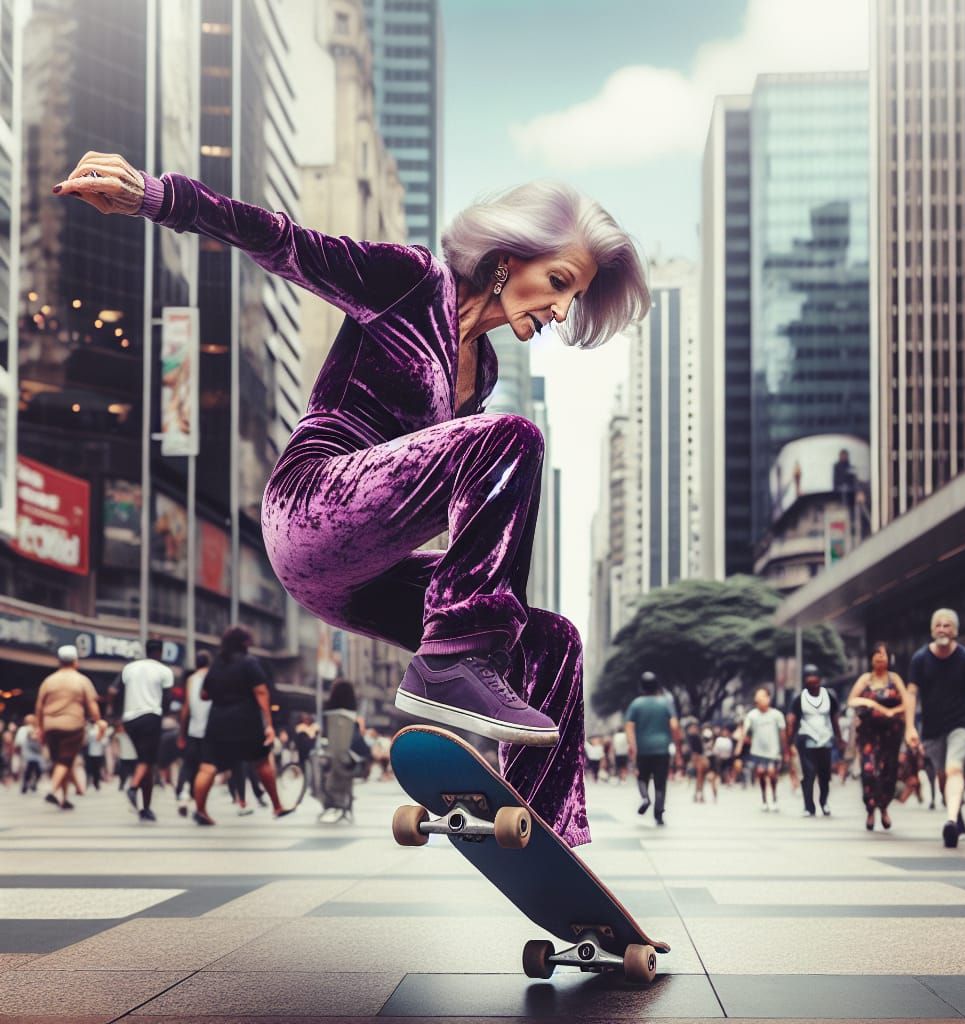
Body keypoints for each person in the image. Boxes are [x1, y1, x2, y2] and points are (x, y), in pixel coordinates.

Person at [54, 152, 650, 848]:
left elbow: (442, 491)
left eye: (574, 298)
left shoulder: (481, 369)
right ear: (508, 258)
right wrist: (158, 197)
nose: (561, 308)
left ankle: (549, 830)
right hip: (310, 507)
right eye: (558, 283)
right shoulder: (411, 281)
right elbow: (285, 242)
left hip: (359, 578)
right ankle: (452, 660)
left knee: (551, 640)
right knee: (512, 438)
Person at [905, 608, 965, 849]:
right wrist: (910, 727)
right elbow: (911, 694)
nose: (942, 629)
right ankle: (957, 813)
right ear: (932, 630)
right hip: (931, 728)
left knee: (954, 770)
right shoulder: (920, 659)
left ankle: (950, 822)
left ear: (955, 631)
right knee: (943, 777)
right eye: (938, 625)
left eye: (947, 625)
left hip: (961, 724)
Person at [190, 625, 291, 825]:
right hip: (246, 721)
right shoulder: (250, 663)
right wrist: (268, 724)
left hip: (217, 721)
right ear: (244, 643)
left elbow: (204, 695)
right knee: (261, 762)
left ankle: (200, 810)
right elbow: (261, 693)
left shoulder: (216, 665)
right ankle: (277, 807)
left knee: (207, 767)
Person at [847, 642, 909, 831]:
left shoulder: (895, 679)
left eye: (883, 654)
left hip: (891, 734)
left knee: (888, 773)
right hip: (869, 734)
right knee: (868, 771)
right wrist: (873, 705)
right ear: (871, 658)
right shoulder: (865, 679)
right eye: (877, 654)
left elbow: (907, 703)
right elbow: (852, 700)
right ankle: (870, 809)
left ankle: (884, 808)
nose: (880, 657)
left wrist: (892, 712)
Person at [35, 645, 105, 810]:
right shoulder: (81, 680)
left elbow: (39, 707)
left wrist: (40, 727)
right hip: (72, 726)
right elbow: (92, 704)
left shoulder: (48, 681)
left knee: (61, 762)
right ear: (75, 662)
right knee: (65, 760)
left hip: (50, 726)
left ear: (59, 661)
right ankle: (52, 790)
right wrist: (98, 721)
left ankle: (64, 799)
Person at [120, 638, 174, 822]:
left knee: (146, 762)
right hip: (150, 717)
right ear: (161, 651)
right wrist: (163, 714)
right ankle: (133, 788)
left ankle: (147, 809)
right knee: (146, 760)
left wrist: (118, 715)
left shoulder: (129, 668)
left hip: (129, 719)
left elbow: (116, 691)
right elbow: (167, 699)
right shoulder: (164, 671)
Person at [623, 671, 681, 826]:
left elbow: (629, 727)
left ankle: (645, 798)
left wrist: (632, 746)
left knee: (642, 777)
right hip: (662, 749)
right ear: (657, 686)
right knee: (660, 782)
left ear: (641, 687)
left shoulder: (636, 704)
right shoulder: (666, 703)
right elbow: (675, 726)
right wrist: (677, 745)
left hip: (643, 749)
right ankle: (659, 814)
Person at [787, 665, 842, 818]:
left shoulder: (829, 695)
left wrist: (839, 738)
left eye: (814, 676)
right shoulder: (798, 698)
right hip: (806, 739)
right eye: (808, 677)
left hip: (825, 739)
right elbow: (791, 720)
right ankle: (808, 806)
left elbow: (834, 717)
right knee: (809, 773)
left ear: (819, 679)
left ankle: (824, 802)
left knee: (824, 774)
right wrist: (789, 743)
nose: (812, 680)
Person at [319, 679, 372, 823]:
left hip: (328, 762)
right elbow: (358, 744)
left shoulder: (327, 717)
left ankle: (333, 804)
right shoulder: (352, 719)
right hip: (348, 762)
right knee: (352, 759)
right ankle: (344, 805)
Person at [739, 687, 787, 813]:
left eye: (762, 696)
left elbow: (783, 734)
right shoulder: (752, 715)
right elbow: (745, 732)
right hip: (758, 752)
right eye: (757, 697)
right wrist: (742, 743)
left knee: (771, 773)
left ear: (768, 698)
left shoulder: (777, 715)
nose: (759, 699)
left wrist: (785, 751)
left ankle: (774, 799)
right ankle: (764, 800)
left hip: (773, 751)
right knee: (760, 773)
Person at [176, 651, 212, 816]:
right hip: (210, 731)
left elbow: (186, 709)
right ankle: (199, 804)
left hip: (193, 730)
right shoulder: (214, 677)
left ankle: (183, 796)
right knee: (205, 768)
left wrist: (182, 734)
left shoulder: (191, 680)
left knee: (188, 765)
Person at [14, 715, 45, 794]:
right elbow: (19, 742)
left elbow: (42, 741)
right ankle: (25, 784)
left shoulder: (38, 729)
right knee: (29, 769)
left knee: (39, 770)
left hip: (37, 752)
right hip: (28, 752)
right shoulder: (23, 729)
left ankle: (33, 783)